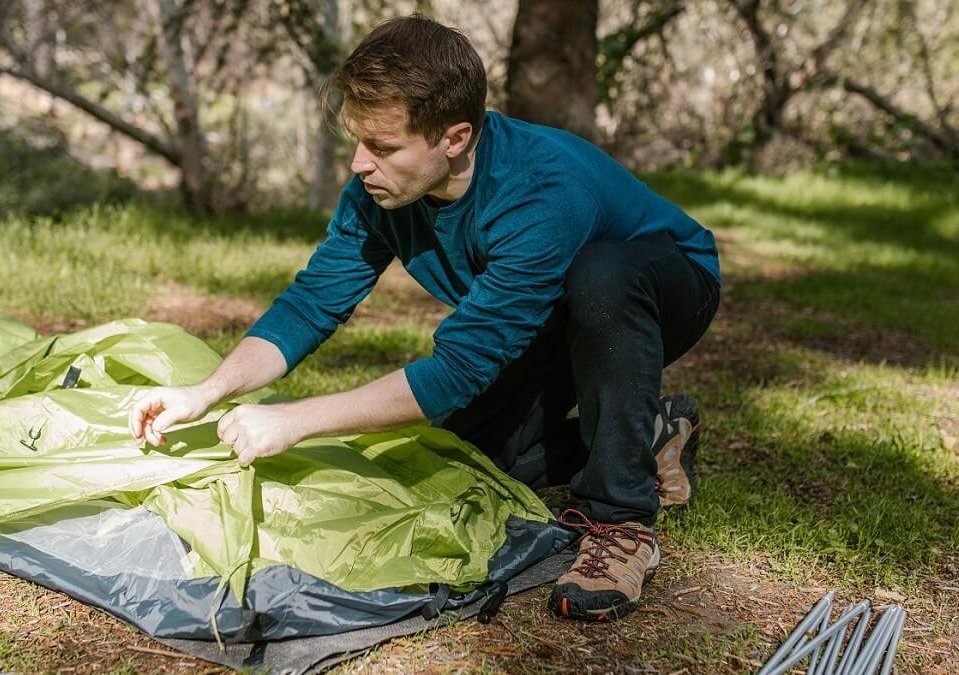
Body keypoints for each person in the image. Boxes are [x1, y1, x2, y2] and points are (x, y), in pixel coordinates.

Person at [129, 14, 719, 622]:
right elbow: (312, 303)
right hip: (551, 309)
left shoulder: (541, 191)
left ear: (455, 138)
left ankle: (621, 520)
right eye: (358, 141)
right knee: (465, 457)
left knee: (602, 276)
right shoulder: (377, 190)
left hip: (661, 288)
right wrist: (205, 393)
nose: (360, 163)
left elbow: (456, 369)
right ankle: (647, 436)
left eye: (382, 147)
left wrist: (293, 421)